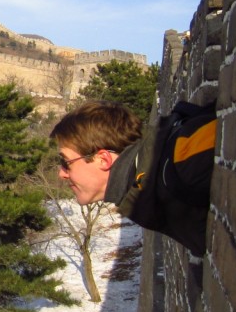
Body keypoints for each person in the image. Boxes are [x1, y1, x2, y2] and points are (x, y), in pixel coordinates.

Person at [49, 100, 210, 254]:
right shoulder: (150, 181)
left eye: (66, 162)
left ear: (103, 160)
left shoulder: (181, 159)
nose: (61, 174)